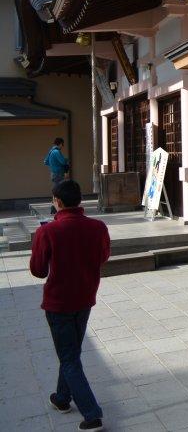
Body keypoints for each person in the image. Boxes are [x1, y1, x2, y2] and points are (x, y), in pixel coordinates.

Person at [30, 179, 110, 431]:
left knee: (69, 358)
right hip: (84, 298)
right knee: (71, 353)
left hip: (59, 302)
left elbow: (38, 270)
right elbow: (103, 258)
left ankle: (92, 413)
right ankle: (62, 398)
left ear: (57, 202)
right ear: (80, 200)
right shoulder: (98, 227)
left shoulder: (48, 232)